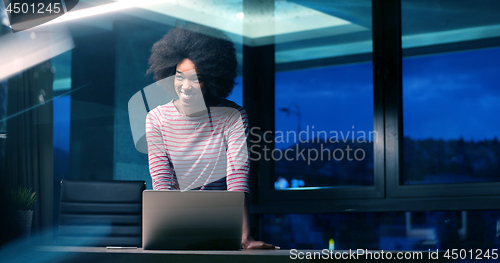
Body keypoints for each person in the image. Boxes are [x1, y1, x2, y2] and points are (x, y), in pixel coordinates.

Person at [145, 23, 277, 249]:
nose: (185, 86)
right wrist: (164, 235)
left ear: (213, 78)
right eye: (179, 77)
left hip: (222, 228)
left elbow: (237, 179)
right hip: (175, 226)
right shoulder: (156, 119)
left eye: (196, 78)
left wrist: (245, 237)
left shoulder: (232, 117)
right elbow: (162, 185)